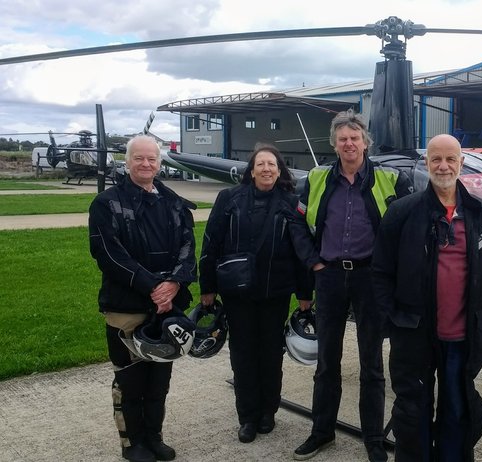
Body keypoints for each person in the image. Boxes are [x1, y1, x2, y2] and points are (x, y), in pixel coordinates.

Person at [371, 134, 482, 462]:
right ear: (426, 163)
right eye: (436, 159)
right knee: (411, 411)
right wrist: (394, 318)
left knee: (457, 410)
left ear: (461, 163)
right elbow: (379, 272)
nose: (443, 166)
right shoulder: (402, 213)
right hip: (413, 335)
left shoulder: (481, 214)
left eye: (450, 159)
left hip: (462, 337)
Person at [293, 109, 412, 462]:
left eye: (355, 138)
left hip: (369, 277)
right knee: (327, 360)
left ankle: (373, 438)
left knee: (371, 362)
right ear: (335, 143)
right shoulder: (316, 178)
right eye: (342, 138)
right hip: (329, 275)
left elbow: (407, 227)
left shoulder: (390, 179)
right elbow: (296, 223)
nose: (349, 144)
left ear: (365, 142)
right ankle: (321, 432)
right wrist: (313, 260)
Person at [199, 143, 318, 444]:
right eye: (261, 164)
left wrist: (305, 293)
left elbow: (300, 249)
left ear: (280, 171)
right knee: (242, 355)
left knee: (270, 354)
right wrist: (207, 286)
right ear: (251, 170)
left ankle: (268, 411)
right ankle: (247, 416)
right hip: (237, 292)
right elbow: (211, 242)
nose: (267, 169)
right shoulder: (229, 199)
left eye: (273, 165)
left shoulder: (292, 203)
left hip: (274, 292)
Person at [89, 135, 197, 462]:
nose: (146, 164)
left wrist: (174, 284)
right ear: (128, 161)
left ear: (159, 163)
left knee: (158, 380)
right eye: (139, 158)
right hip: (126, 306)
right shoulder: (107, 204)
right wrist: (152, 285)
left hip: (167, 307)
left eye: (152, 159)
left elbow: (187, 248)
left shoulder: (174, 203)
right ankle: (132, 442)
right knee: (130, 379)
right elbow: (108, 253)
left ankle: (154, 437)